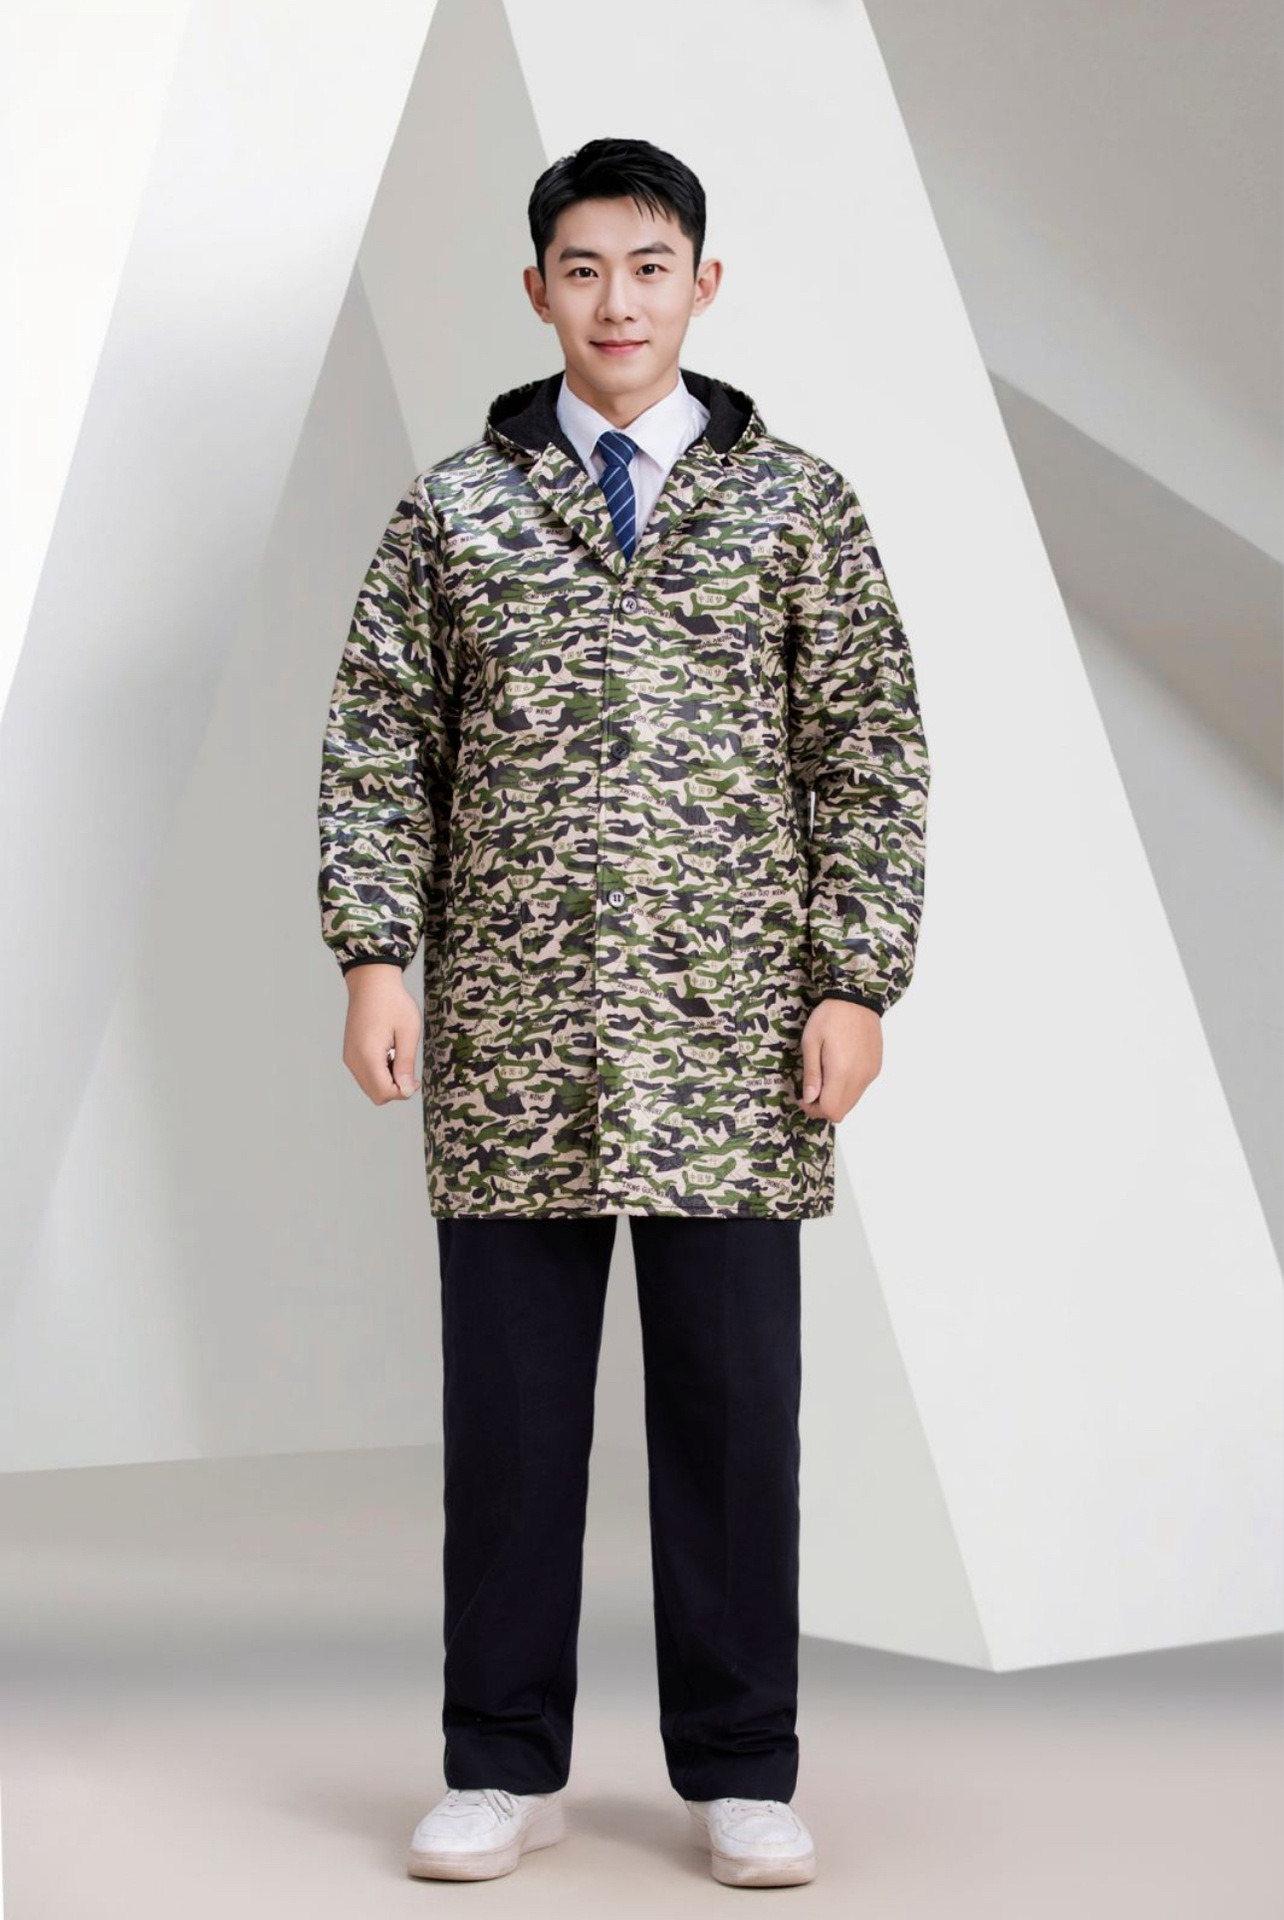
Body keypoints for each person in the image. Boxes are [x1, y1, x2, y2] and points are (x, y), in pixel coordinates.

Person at [316, 135, 931, 1888]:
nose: (616, 302)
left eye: (649, 268)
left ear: (702, 286)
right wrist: (376, 957)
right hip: (514, 1042)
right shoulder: (454, 510)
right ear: (537, 290)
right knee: (513, 1424)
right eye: (582, 269)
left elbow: (869, 756)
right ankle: (499, 1763)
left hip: (736, 1040)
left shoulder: (797, 506)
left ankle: (741, 1768)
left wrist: (854, 978)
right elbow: (378, 753)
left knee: (734, 1416)